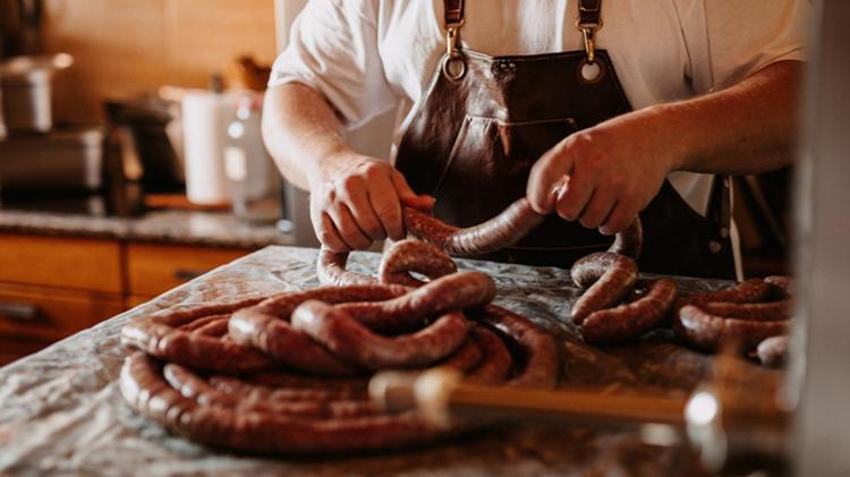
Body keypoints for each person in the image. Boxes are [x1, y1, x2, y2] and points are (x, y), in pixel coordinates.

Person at [262, 0, 807, 279]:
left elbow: (808, 91)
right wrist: (328, 163)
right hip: (437, 316)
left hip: (656, 311)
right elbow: (297, 87)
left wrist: (663, 136)